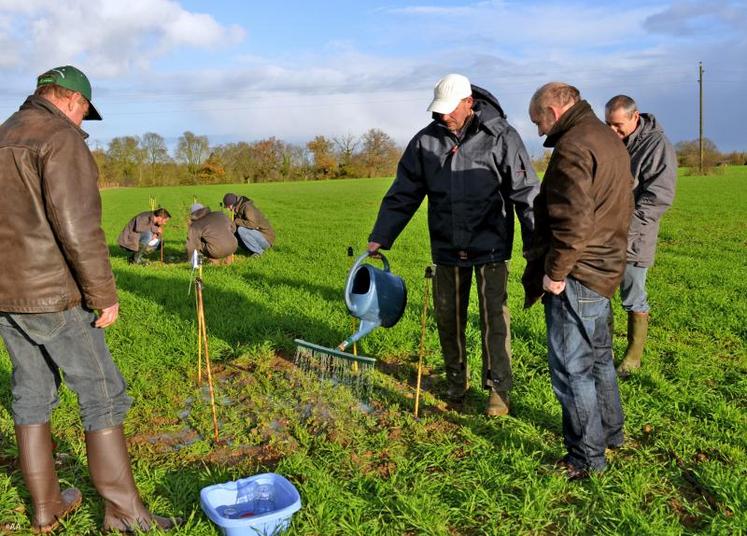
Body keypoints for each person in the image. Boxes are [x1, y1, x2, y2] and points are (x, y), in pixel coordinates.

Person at [0, 65, 178, 532]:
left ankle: (46, 506)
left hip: (5, 295)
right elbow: (78, 228)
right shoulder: (61, 140)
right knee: (103, 393)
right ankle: (123, 512)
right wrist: (104, 295)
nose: (82, 122)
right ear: (72, 101)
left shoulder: (3, 135)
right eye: (84, 112)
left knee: (32, 393)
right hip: (53, 294)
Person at [368, 73, 539, 416]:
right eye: (439, 110)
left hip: (491, 245)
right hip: (446, 245)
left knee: (495, 320)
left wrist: (536, 246)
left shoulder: (501, 136)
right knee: (448, 318)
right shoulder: (425, 142)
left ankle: (498, 391)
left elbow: (526, 193)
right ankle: (456, 382)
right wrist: (381, 235)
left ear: (468, 103)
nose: (443, 116)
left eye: (449, 109)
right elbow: (404, 192)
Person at [523, 82, 633, 479]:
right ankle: (611, 433)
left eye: (538, 121)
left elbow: (574, 222)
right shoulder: (605, 137)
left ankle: (586, 458)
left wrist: (555, 274)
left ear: (553, 112)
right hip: (605, 267)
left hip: (579, 273)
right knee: (600, 358)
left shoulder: (572, 146)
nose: (537, 131)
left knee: (573, 370)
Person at [605, 95, 677, 376]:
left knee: (633, 297)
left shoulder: (657, 146)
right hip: (605, 236)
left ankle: (633, 358)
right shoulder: (612, 141)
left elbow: (658, 197)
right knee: (600, 295)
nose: (612, 131)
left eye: (617, 125)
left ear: (635, 118)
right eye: (607, 124)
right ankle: (603, 351)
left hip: (635, 238)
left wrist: (624, 228)